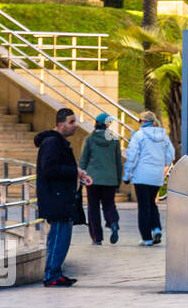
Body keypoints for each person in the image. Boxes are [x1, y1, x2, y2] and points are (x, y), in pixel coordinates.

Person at [35, 108, 92, 287]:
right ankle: (52, 274)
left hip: (60, 197)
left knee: (59, 236)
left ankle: (55, 272)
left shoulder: (57, 142)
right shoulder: (52, 143)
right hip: (56, 198)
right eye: (71, 122)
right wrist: (74, 171)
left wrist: (78, 173)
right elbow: (49, 169)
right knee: (60, 236)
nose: (75, 126)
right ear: (60, 125)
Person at [123, 111, 175, 246]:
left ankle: (146, 238)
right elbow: (170, 156)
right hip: (156, 175)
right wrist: (161, 165)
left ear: (144, 122)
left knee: (143, 206)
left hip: (141, 176)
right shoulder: (163, 136)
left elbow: (132, 157)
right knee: (152, 203)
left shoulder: (139, 136)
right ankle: (156, 228)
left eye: (140, 121)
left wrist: (127, 175)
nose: (139, 123)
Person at [79, 112, 123, 245]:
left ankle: (97, 238)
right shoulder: (114, 140)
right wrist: (118, 180)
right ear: (107, 125)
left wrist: (81, 176)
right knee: (109, 204)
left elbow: (83, 160)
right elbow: (118, 163)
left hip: (92, 180)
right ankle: (113, 222)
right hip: (110, 179)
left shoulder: (89, 139)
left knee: (93, 208)